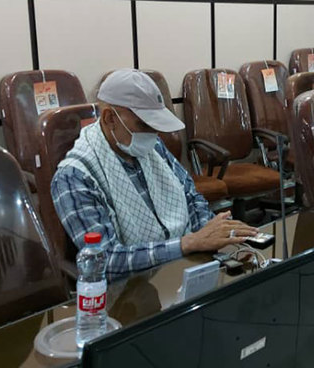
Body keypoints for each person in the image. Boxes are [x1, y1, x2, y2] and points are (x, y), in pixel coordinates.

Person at [51, 69, 257, 279]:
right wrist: (188, 243)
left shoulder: (152, 146)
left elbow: (190, 196)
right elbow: (106, 261)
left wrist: (210, 231)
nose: (153, 133)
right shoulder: (74, 176)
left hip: (185, 265)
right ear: (110, 118)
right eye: (143, 124)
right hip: (131, 288)